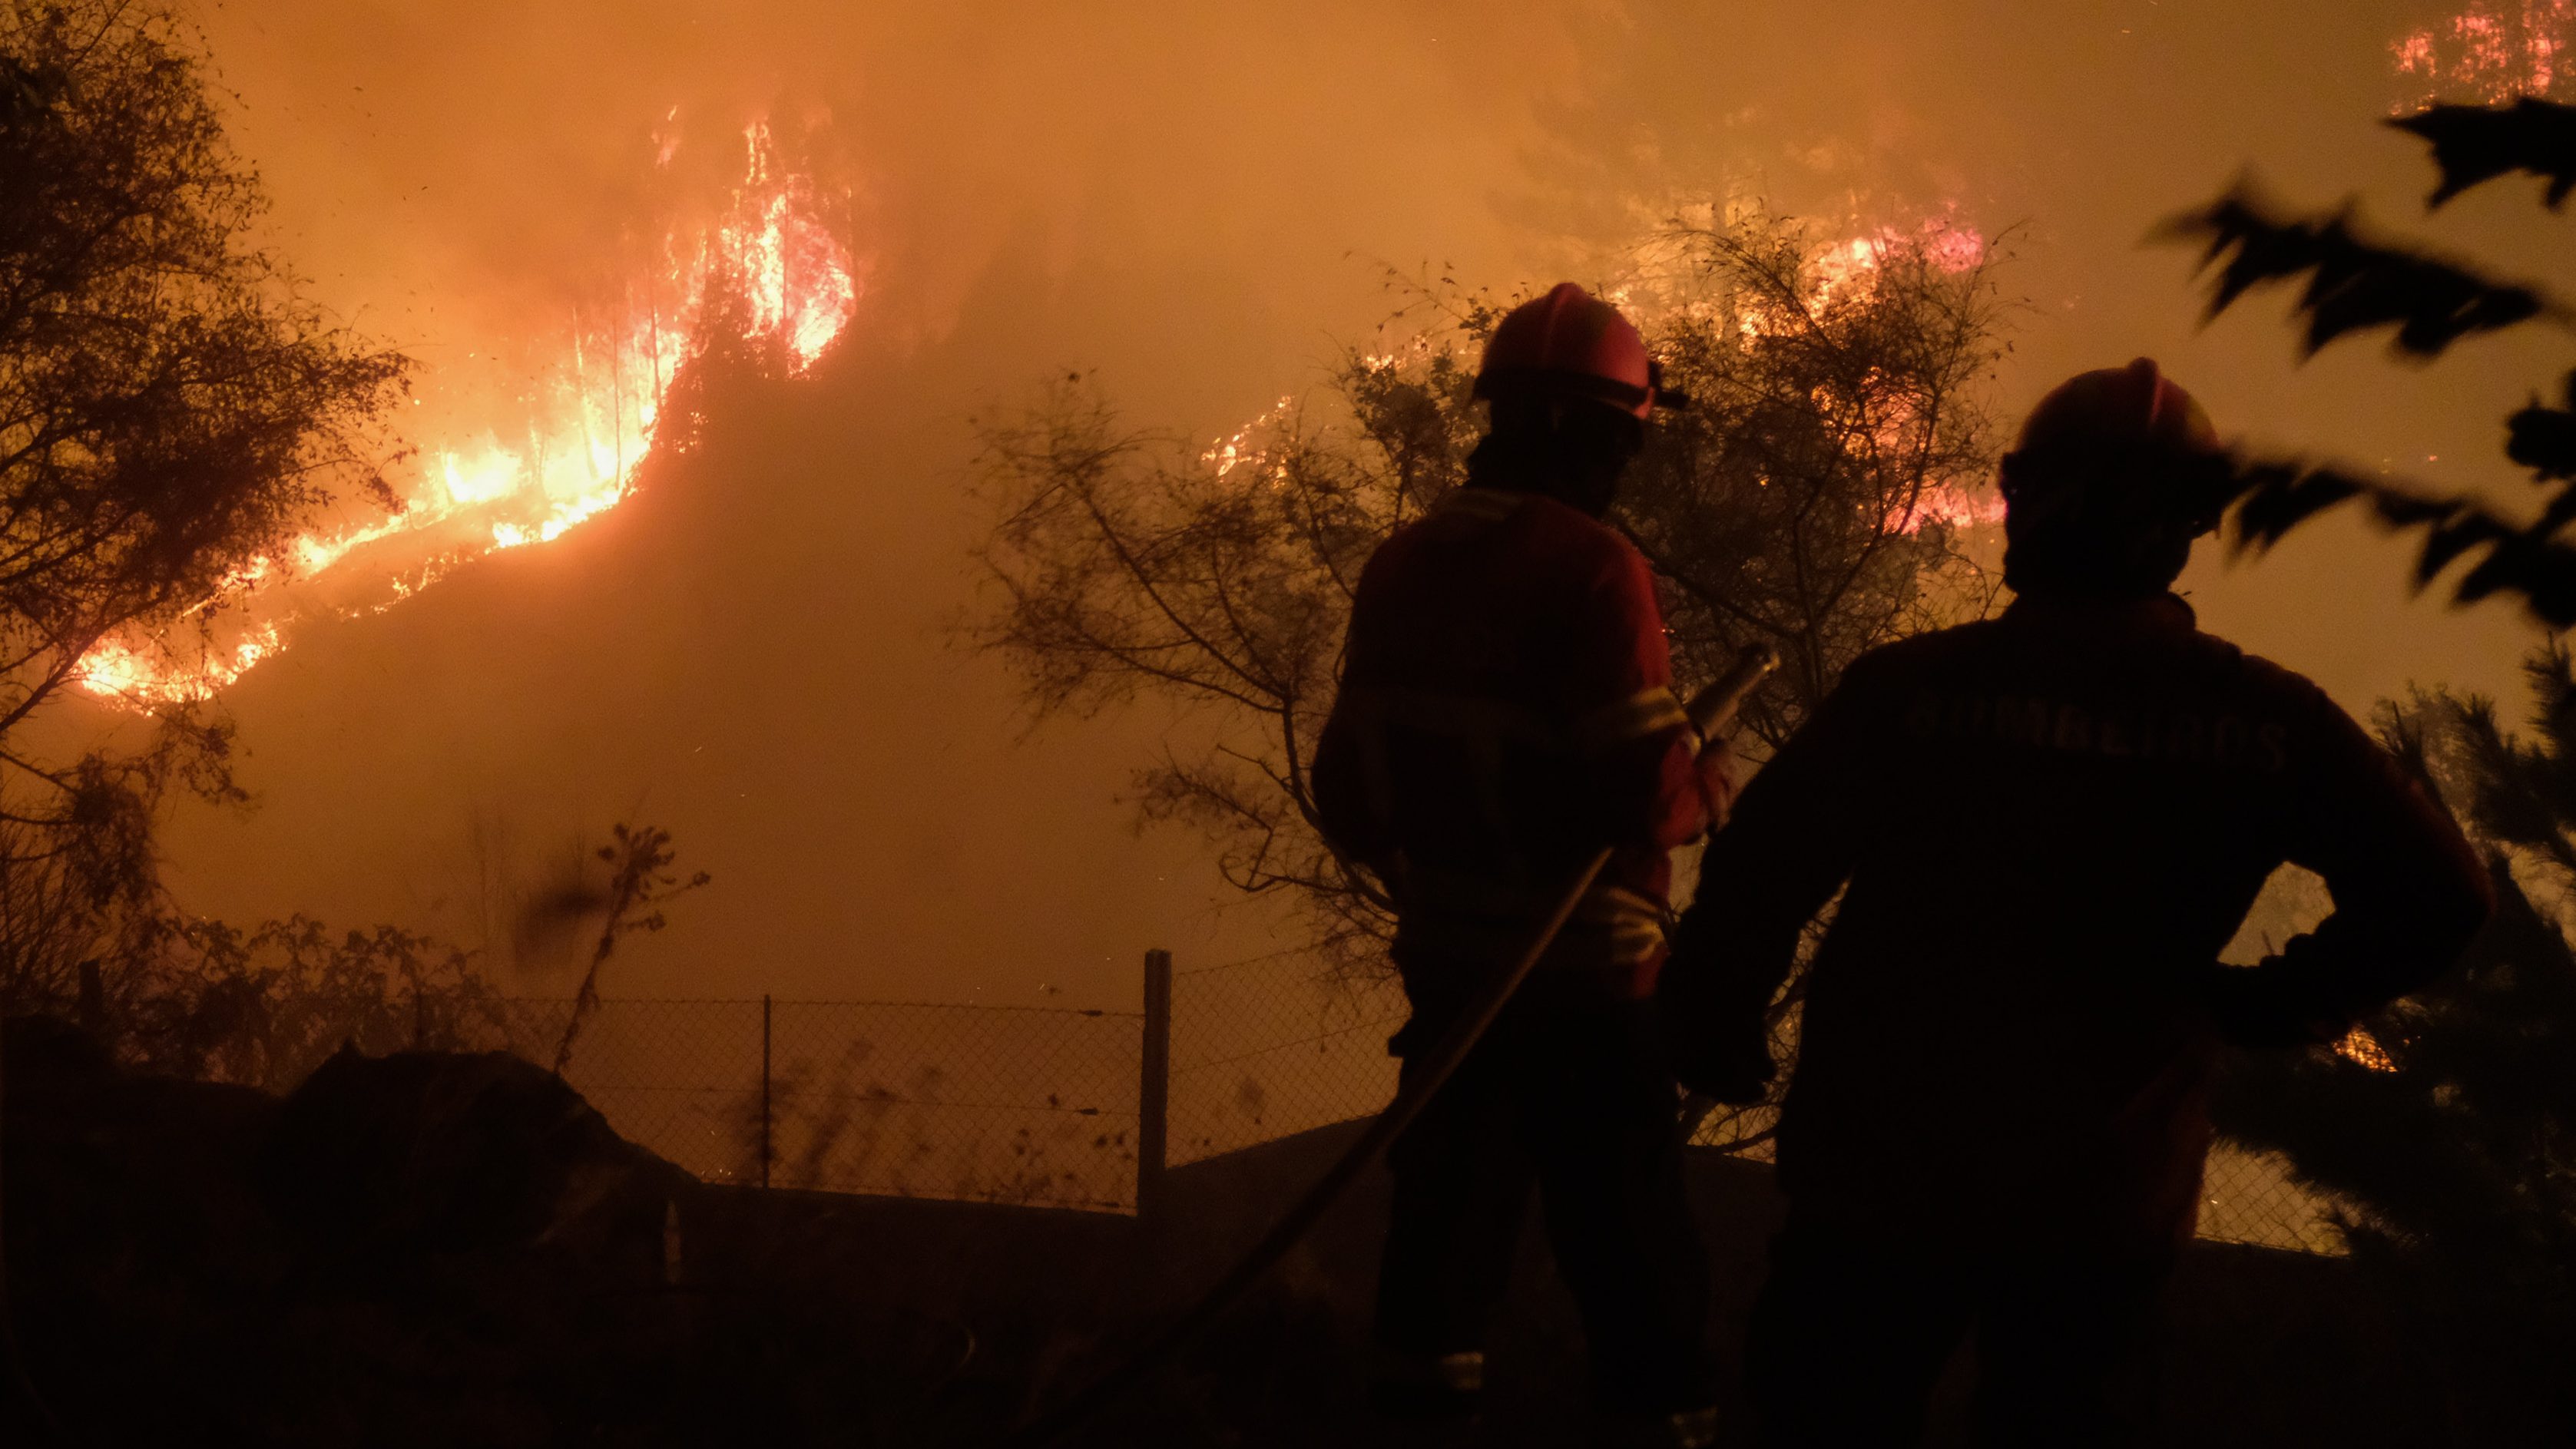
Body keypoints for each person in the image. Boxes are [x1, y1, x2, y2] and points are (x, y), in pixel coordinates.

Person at [1657, 358, 2496, 1447]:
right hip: (2103, 1199)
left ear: (2025, 502)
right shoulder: (2262, 720)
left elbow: (1760, 873)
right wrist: (2261, 1005)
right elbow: (2442, 894)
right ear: (2188, 528)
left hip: (1882, 1176)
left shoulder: (1913, 692)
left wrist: (1715, 1018)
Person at [1310, 283, 1732, 1447]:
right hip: (1594, 995)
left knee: (1437, 1274)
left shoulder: (1402, 565)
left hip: (1453, 986)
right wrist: (1709, 777)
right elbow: (1647, 799)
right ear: (1598, 435)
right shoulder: (1597, 570)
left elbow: (1348, 792)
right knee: (1639, 1279)